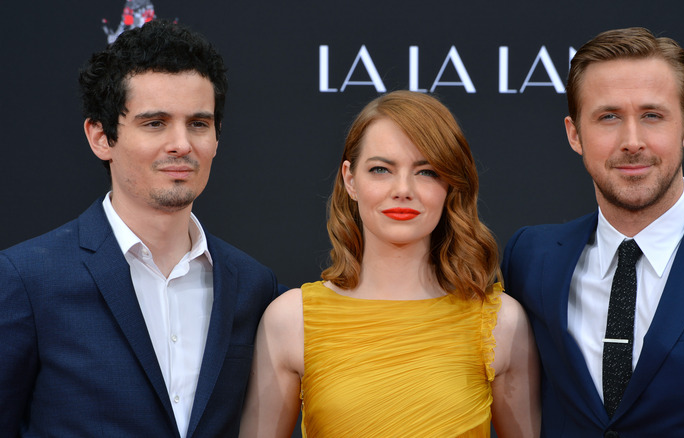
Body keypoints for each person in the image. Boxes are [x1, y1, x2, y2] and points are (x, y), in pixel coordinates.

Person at [0, 20, 277, 437]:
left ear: (217, 138)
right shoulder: (28, 279)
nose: (181, 144)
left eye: (199, 124)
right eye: (155, 123)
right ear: (100, 137)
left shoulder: (253, 284)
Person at [502, 27, 684, 437]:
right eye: (608, 117)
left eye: (652, 115)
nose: (632, 142)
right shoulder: (531, 258)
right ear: (574, 133)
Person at [239, 90, 540, 437]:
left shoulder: (501, 322)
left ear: (450, 185)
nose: (402, 189)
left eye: (426, 172)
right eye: (381, 169)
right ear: (350, 180)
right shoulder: (291, 320)